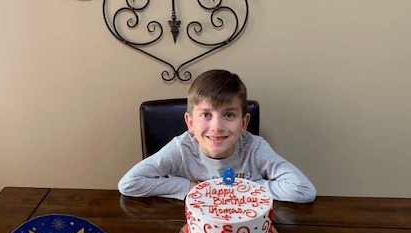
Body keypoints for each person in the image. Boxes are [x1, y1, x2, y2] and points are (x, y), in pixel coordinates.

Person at [118, 69, 316, 203]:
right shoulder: (182, 149)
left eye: (228, 115)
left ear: (244, 123)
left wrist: (243, 189)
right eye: (206, 115)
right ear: (190, 122)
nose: (217, 127)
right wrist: (191, 187)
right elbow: (129, 183)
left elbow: (304, 190)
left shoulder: (255, 148)